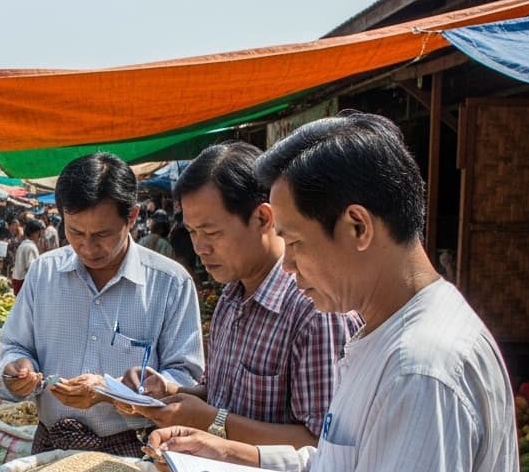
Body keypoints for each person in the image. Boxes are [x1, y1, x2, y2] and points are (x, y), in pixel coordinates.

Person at [150, 113, 517, 472]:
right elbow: (341, 465)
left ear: (356, 226)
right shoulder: (379, 332)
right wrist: (230, 452)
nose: (289, 267)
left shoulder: (423, 365)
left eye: (295, 244)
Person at [119, 142, 359, 449]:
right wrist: (168, 391)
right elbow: (220, 396)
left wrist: (211, 422)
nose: (200, 248)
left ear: (262, 218)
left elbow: (322, 447)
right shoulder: (231, 298)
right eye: (192, 232)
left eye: (212, 232)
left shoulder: (315, 310)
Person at [0, 152, 204, 457]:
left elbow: (185, 377)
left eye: (103, 234)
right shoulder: (44, 272)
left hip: (134, 447)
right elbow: (15, 345)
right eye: (76, 232)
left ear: (132, 218)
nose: (88, 246)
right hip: (50, 443)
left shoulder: (170, 283)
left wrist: (112, 392)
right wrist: (17, 369)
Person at [10, 219, 43, 295]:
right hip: (23, 282)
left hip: (17, 279)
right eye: (39, 233)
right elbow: (31, 268)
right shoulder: (30, 247)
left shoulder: (23, 244)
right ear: (35, 233)